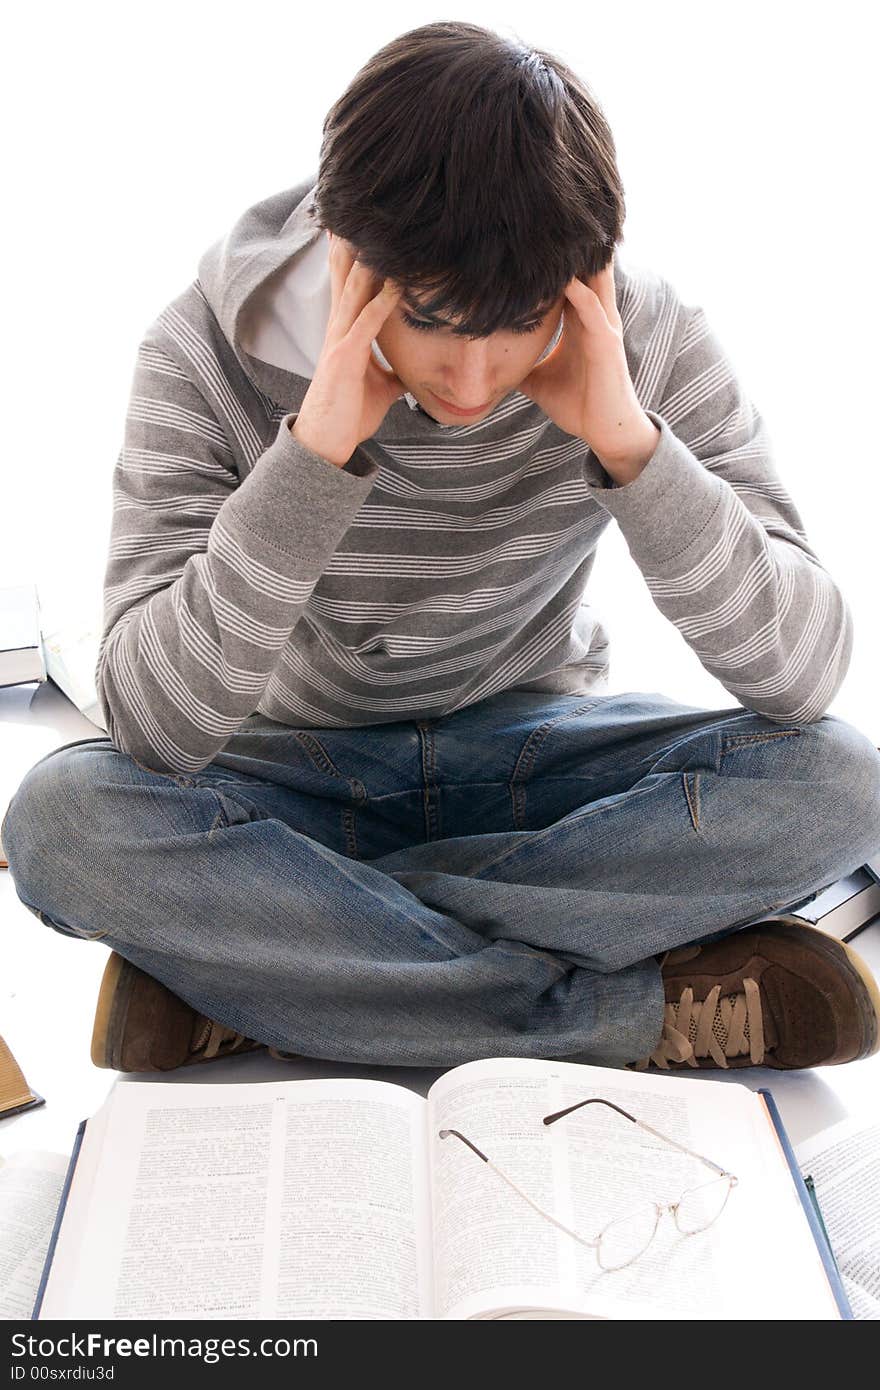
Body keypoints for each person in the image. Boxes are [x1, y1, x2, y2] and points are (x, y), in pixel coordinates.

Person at [4, 21, 880, 1075]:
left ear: (583, 270)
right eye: (428, 321)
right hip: (301, 770)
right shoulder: (201, 351)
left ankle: (294, 968)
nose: (470, 381)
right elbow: (154, 722)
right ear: (345, 252)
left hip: (533, 751)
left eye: (511, 325)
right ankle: (615, 1014)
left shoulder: (639, 339)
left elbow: (802, 673)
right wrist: (313, 456)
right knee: (59, 822)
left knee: (844, 783)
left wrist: (631, 445)